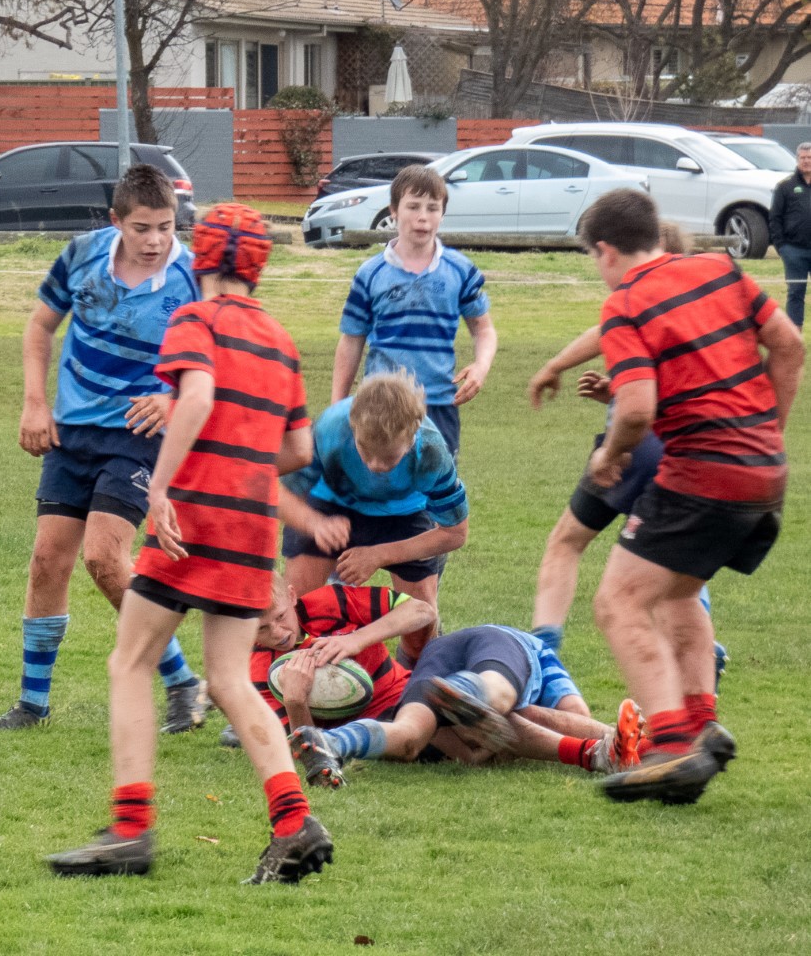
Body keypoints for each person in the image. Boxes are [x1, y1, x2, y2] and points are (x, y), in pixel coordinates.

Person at [46, 204, 333, 885]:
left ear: (200, 258)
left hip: (193, 522)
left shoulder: (195, 320)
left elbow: (197, 397)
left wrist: (161, 486)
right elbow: (299, 447)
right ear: (259, 267)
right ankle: (294, 822)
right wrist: (242, 460)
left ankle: (130, 828)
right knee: (230, 680)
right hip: (251, 528)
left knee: (130, 662)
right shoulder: (280, 340)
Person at [0, 164, 210, 735]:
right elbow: (40, 328)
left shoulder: (194, 277)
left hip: (138, 436)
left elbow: (217, 358)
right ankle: (32, 706)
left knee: (104, 558)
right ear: (116, 221)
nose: (155, 241)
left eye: (166, 227)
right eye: (142, 228)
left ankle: (181, 680)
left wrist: (173, 399)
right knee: (46, 561)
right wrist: (35, 403)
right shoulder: (82, 255)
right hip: (73, 431)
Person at [582, 188, 801, 805]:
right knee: (677, 592)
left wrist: (608, 454)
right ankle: (702, 725)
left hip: (702, 473)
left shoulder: (625, 304)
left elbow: (636, 409)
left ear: (606, 251)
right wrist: (767, 433)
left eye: (595, 258)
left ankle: (673, 744)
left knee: (618, 601)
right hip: (765, 473)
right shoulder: (719, 269)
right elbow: (790, 345)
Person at [525, 222, 727, 684]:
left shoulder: (638, 297)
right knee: (678, 563)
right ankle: (701, 648)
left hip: (637, 449)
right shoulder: (696, 306)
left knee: (567, 542)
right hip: (687, 452)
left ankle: (543, 655)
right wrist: (612, 393)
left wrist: (555, 365)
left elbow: (610, 339)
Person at [287, 625, 643, 786]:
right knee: (501, 702)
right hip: (483, 646)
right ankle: (631, 749)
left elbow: (479, 752)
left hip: (440, 663)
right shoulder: (541, 657)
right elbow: (574, 714)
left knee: (411, 737)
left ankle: (334, 741)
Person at [279, 372, 468, 666]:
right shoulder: (330, 428)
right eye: (365, 451)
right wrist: (313, 524)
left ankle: (412, 686)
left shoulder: (431, 451)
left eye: (389, 457)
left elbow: (455, 533)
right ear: (353, 426)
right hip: (330, 505)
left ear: (413, 435)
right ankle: (294, 684)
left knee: (421, 628)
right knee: (297, 614)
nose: (375, 466)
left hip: (404, 514)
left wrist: (378, 555)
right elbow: (278, 493)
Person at [332, 165, 497, 456]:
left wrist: (481, 367)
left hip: (438, 405)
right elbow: (351, 340)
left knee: (438, 482)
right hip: (381, 406)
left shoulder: (460, 270)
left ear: (442, 214)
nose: (423, 216)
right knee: (381, 479)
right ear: (393, 211)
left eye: (432, 208)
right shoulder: (370, 274)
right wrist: (337, 407)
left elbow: (483, 329)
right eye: (413, 206)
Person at [217, 581, 435, 747]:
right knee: (433, 737)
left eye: (281, 616)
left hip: (406, 694)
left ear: (292, 596)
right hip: (363, 732)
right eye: (262, 628)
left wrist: (356, 640)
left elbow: (422, 610)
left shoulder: (330, 602)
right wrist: (295, 701)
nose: (277, 632)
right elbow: (304, 748)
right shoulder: (259, 672)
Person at [766, 142, 811, 329]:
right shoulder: (785, 187)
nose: (806, 161)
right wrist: (782, 247)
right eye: (803, 158)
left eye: (810, 158)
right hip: (794, 250)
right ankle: (794, 334)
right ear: (797, 160)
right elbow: (774, 218)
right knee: (795, 292)